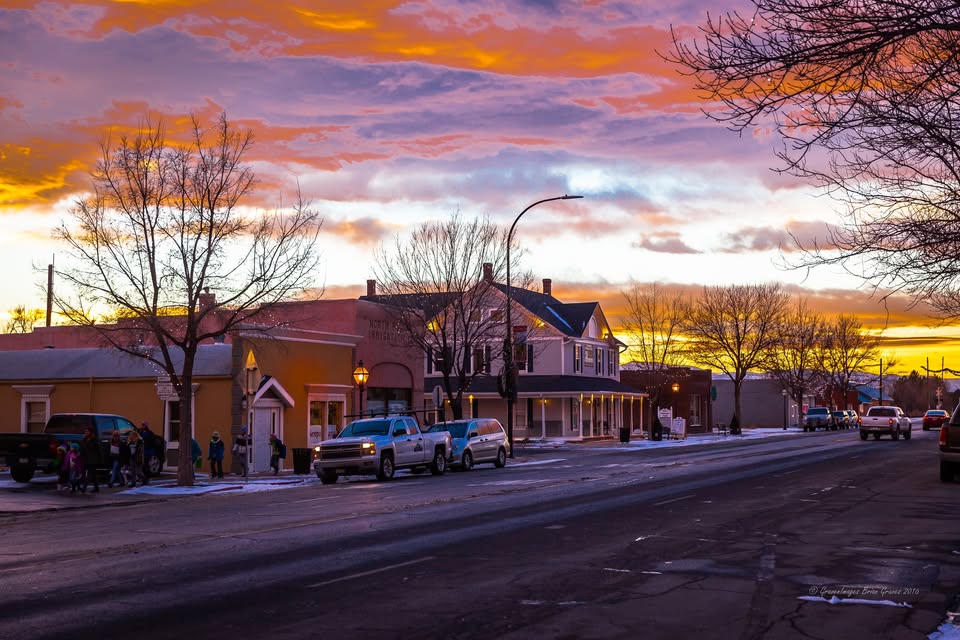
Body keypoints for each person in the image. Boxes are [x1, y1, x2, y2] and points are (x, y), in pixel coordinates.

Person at [79, 426, 102, 493]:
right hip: (86, 459)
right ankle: (96, 488)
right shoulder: (84, 439)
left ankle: (84, 488)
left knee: (90, 474)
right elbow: (82, 448)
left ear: (91, 432)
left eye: (87, 431)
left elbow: (95, 449)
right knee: (93, 474)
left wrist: (100, 460)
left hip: (93, 460)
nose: (85, 433)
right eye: (85, 431)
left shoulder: (94, 439)